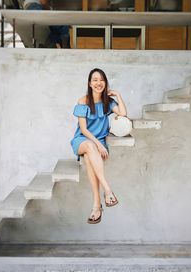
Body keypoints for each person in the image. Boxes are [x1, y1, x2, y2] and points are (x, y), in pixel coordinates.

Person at [70, 68, 127, 224]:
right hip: (83, 140)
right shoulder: (83, 101)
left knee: (89, 158)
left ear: (105, 83)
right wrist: (98, 145)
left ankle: (96, 205)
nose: (98, 83)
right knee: (89, 147)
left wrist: (118, 95)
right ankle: (107, 190)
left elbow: (122, 113)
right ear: (90, 83)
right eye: (95, 80)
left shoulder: (107, 102)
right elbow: (83, 129)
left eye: (101, 80)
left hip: (98, 143)